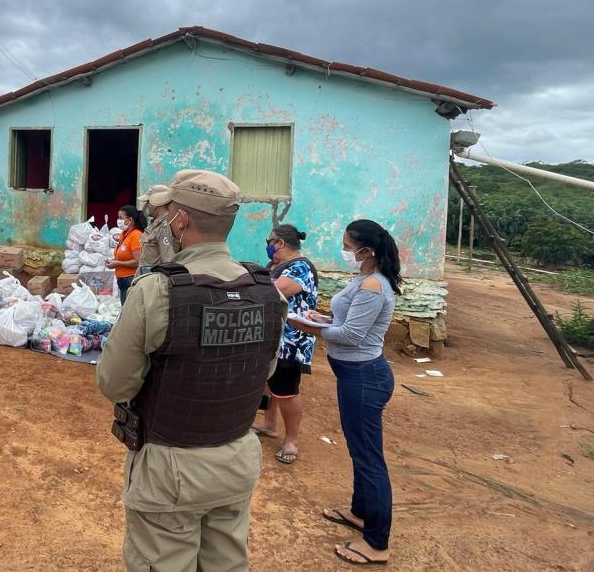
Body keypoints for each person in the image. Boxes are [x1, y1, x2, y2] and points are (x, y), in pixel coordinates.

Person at [96, 170, 287, 571]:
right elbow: (262, 371)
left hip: (171, 469)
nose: (161, 224)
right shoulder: (266, 290)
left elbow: (114, 383)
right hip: (236, 460)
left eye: (166, 215)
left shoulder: (157, 290)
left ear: (180, 221)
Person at [291, 219, 401, 566]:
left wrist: (309, 327)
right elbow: (348, 324)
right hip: (356, 374)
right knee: (360, 450)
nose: (346, 252)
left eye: (348, 246)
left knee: (369, 457)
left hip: (364, 377)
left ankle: (377, 543)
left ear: (366, 250)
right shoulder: (365, 281)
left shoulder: (372, 285)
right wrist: (322, 318)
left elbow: (352, 335)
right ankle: (360, 512)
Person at [251, 224, 318, 465]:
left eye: (270, 241)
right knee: (271, 384)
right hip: (274, 336)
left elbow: (275, 292)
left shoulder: (300, 267)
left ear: (280, 243)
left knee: (287, 389)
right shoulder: (276, 266)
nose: (268, 245)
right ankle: (270, 425)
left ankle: (292, 440)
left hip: (291, 341)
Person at [106, 205, 145, 304]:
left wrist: (118, 263)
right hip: (122, 279)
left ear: (129, 220)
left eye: (120, 218)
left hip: (131, 279)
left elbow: (138, 261)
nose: (118, 220)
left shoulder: (136, 235)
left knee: (129, 310)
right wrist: (114, 262)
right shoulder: (123, 234)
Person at [135, 185, 176, 273]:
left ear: (158, 202)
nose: (146, 206)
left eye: (148, 202)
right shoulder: (155, 224)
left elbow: (168, 261)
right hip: (146, 278)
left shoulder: (165, 226)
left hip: (154, 280)